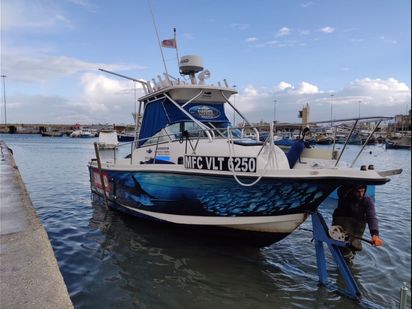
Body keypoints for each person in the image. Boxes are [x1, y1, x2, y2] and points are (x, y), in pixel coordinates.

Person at [332, 184, 384, 262]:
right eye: (358, 191)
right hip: (341, 226)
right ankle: (344, 257)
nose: (361, 194)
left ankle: (348, 258)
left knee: (353, 248)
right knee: (341, 247)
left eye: (363, 191)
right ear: (352, 191)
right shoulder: (344, 195)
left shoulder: (367, 201)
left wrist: (375, 234)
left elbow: (372, 217)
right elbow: (341, 189)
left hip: (356, 228)